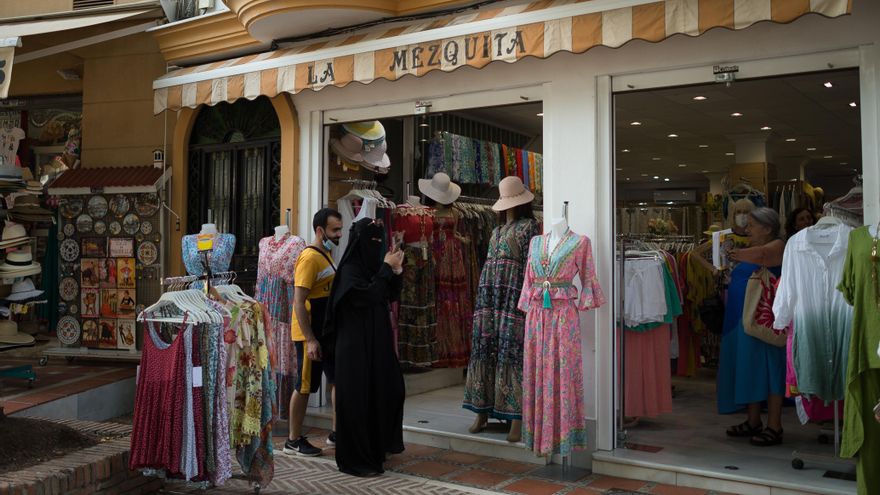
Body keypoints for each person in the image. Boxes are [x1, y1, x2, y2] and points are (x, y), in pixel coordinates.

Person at [324, 217, 405, 477]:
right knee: (358, 400)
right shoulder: (349, 271)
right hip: (354, 348)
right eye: (371, 241)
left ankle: (378, 447)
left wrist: (396, 272)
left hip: (377, 342)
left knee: (389, 390)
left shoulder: (372, 268)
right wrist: (384, 269)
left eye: (379, 242)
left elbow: (388, 294)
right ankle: (357, 457)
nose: (376, 246)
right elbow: (367, 295)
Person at [717, 207, 787, 446]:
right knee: (749, 369)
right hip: (741, 320)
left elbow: (763, 255)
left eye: (752, 226)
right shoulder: (751, 249)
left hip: (764, 322)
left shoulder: (777, 245)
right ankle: (753, 420)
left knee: (770, 370)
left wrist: (731, 251)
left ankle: (774, 425)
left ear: (768, 228)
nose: (747, 230)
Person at [283, 208, 343, 457]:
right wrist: (310, 339)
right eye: (335, 230)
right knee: (304, 385)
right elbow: (299, 301)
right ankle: (293, 439)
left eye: (340, 229)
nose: (339, 234)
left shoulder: (326, 254)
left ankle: (337, 432)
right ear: (320, 231)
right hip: (310, 332)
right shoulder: (309, 258)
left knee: (337, 379)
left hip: (325, 330)